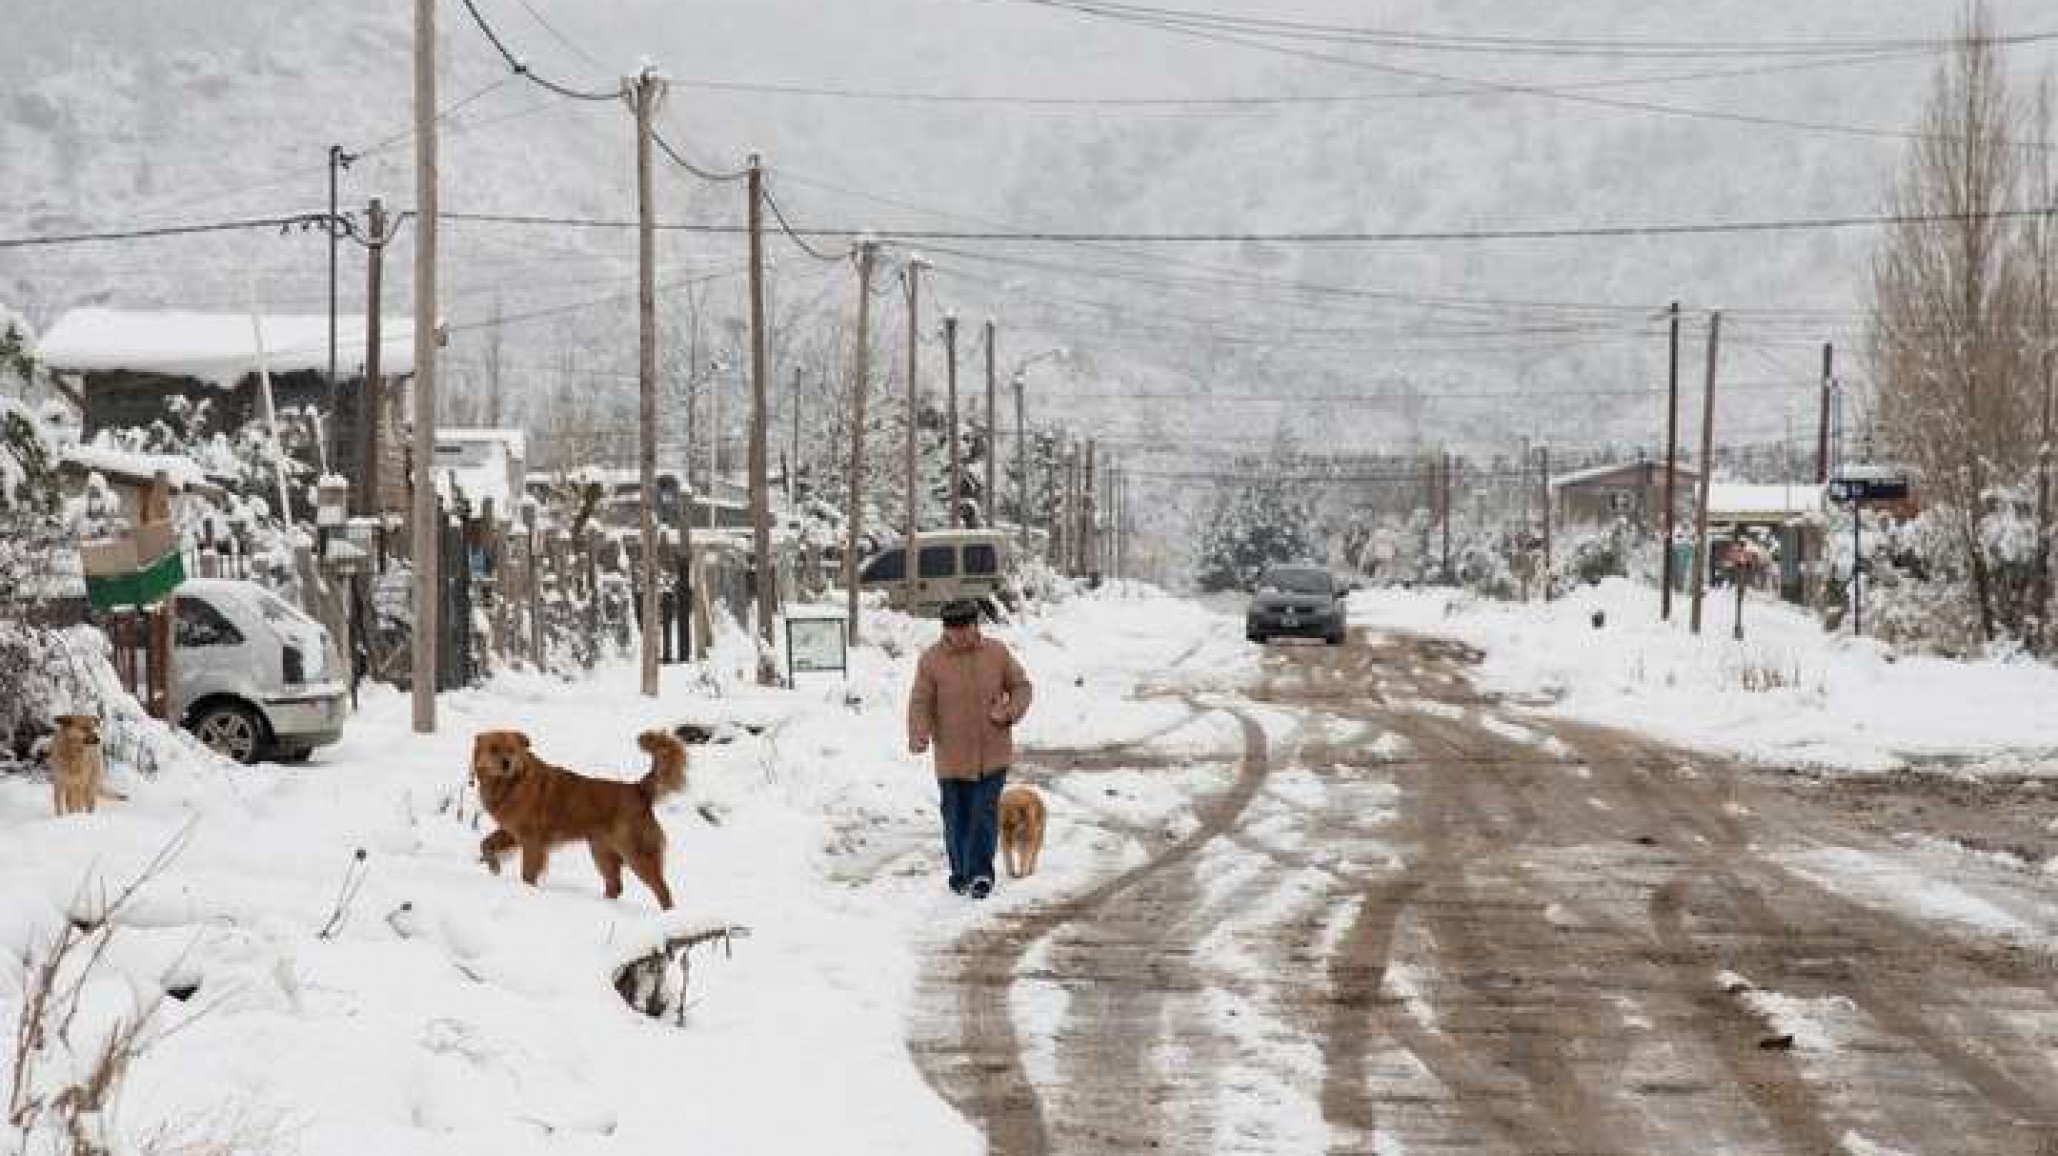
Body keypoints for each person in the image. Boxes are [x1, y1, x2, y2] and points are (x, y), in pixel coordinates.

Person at [908, 599, 1033, 899]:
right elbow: (921, 701)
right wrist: (918, 731)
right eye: (954, 630)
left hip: (992, 754)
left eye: (966, 628)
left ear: (976, 625)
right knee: (955, 818)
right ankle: (960, 874)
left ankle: (980, 874)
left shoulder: (996, 653)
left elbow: (1022, 686)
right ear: (945, 630)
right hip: (951, 756)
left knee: (982, 814)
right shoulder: (931, 660)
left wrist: (1008, 711)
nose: (960, 636)